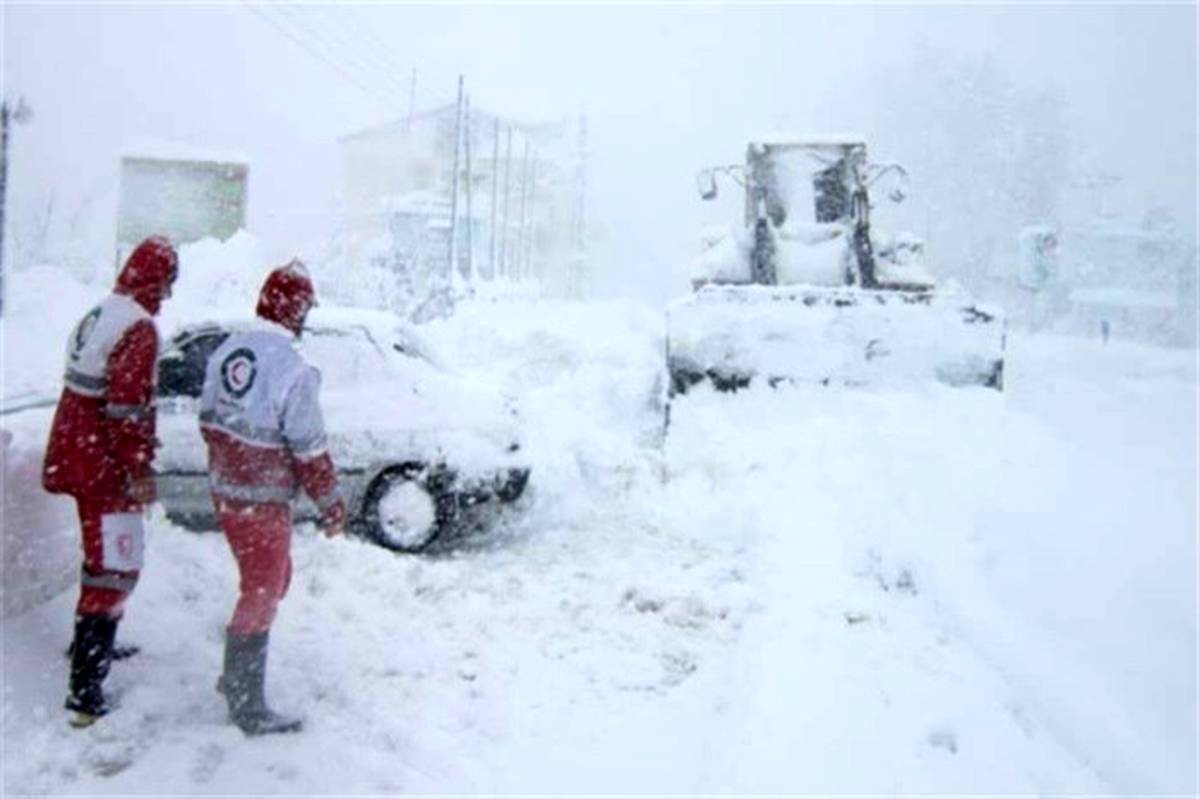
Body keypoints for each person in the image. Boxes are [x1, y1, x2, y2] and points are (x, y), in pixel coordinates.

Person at [198, 259, 345, 736]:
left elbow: (208, 418)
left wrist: (230, 464)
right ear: (295, 310)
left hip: (227, 493)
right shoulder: (295, 370)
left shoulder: (228, 350)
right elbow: (310, 447)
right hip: (261, 501)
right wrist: (330, 503)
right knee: (262, 590)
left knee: (274, 580)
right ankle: (245, 702)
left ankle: (235, 675)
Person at [42, 236, 178, 727]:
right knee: (116, 564)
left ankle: (92, 643)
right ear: (154, 279)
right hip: (103, 462)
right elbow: (127, 410)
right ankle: (86, 690)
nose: (167, 295)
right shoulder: (139, 329)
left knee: (101, 558)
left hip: (75, 450)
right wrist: (138, 469)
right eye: (166, 283)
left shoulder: (103, 311)